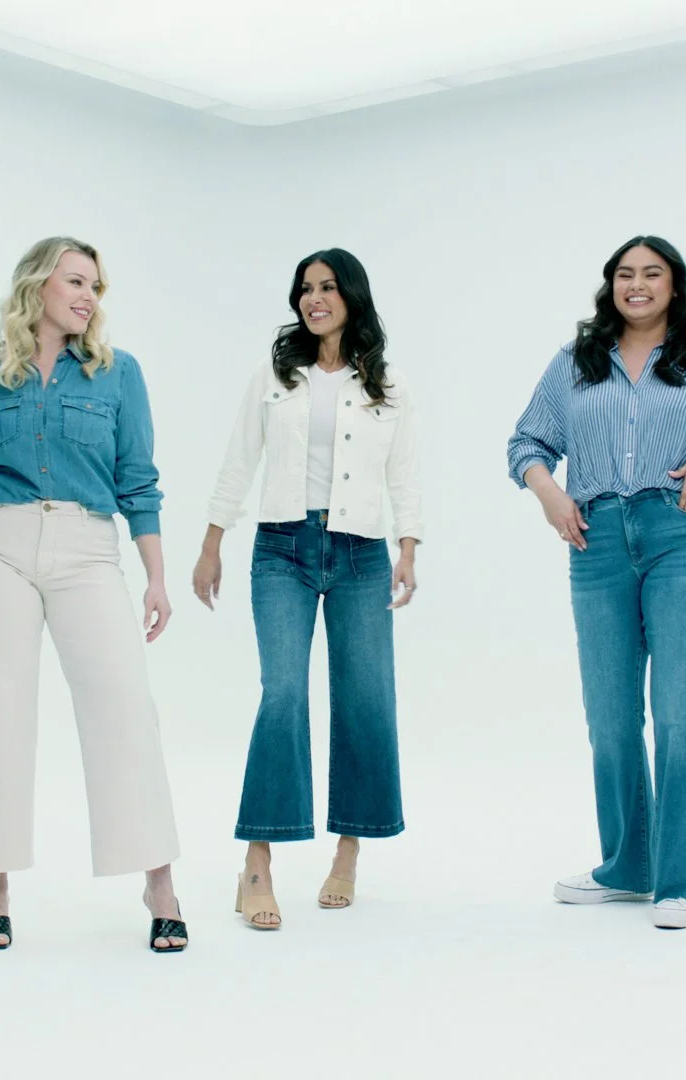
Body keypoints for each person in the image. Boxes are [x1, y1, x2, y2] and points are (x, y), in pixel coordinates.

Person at [506, 235, 686, 930]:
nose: (637, 285)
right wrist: (549, 494)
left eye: (651, 274)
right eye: (625, 274)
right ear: (610, 287)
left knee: (681, 711)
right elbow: (526, 444)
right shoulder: (576, 363)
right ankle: (629, 865)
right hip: (595, 541)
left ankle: (677, 881)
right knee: (610, 716)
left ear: (675, 287)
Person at [0, 236, 188, 953]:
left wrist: (156, 575)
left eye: (96, 287)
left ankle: (158, 881)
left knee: (125, 706)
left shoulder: (118, 374)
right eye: (76, 281)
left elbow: (139, 480)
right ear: (38, 285)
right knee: (0, 712)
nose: (88, 297)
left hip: (85, 548)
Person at [191, 248, 422, 930]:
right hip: (282, 549)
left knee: (365, 700)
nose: (313, 298)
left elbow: (405, 474)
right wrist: (212, 542)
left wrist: (408, 547)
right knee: (283, 692)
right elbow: (239, 457)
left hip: (361, 555)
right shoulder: (276, 373)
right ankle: (256, 864)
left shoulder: (391, 386)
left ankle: (347, 853)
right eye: (304, 289)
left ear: (352, 295)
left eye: (326, 287)